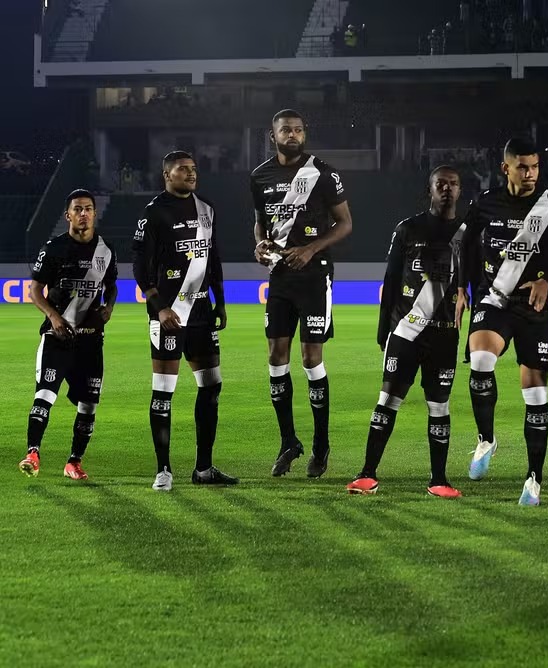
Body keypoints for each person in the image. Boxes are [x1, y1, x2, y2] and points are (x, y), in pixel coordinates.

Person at [455, 137, 548, 506]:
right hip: (494, 298)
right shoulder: (485, 202)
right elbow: (464, 246)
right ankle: (486, 439)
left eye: (535, 166)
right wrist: (462, 289)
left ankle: (534, 478)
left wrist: (547, 280)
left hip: (534, 306)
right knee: (480, 360)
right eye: (523, 166)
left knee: (535, 393)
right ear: (505, 168)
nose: (530, 174)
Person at [347, 167, 465, 498]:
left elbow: (476, 281)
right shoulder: (408, 229)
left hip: (444, 334)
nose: (446, 189)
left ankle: (439, 480)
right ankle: (367, 474)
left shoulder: (468, 233)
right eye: (440, 184)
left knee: (439, 406)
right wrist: (383, 329)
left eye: (452, 184)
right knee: (388, 399)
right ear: (430, 190)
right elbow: (391, 279)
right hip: (406, 329)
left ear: (460, 190)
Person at [251, 109, 353, 478]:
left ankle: (321, 446)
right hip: (280, 278)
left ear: (303, 134)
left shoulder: (324, 174)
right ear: (272, 135)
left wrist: (311, 249)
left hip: (314, 276)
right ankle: (288, 441)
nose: (292, 135)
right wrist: (260, 245)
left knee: (311, 359)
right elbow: (261, 221)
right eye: (285, 130)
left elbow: (346, 223)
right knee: (276, 356)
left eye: (297, 130)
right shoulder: (259, 176)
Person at [132, 151, 235, 491]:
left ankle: (203, 469)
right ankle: (163, 469)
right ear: (167, 175)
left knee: (211, 386)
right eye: (183, 169)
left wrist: (220, 302)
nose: (191, 174)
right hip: (171, 314)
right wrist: (159, 308)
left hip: (203, 312)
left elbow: (214, 258)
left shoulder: (207, 209)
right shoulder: (153, 213)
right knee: (164, 392)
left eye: (194, 169)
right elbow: (140, 268)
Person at [18, 189, 117, 480]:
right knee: (45, 394)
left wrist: (108, 308)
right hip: (57, 337)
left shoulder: (106, 250)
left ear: (94, 213)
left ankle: (74, 462)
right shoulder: (54, 248)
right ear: (68, 215)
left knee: (89, 404)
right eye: (77, 209)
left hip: (90, 340)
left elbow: (111, 286)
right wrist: (53, 316)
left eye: (88, 208)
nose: (83, 213)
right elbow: (34, 289)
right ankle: (32, 454)